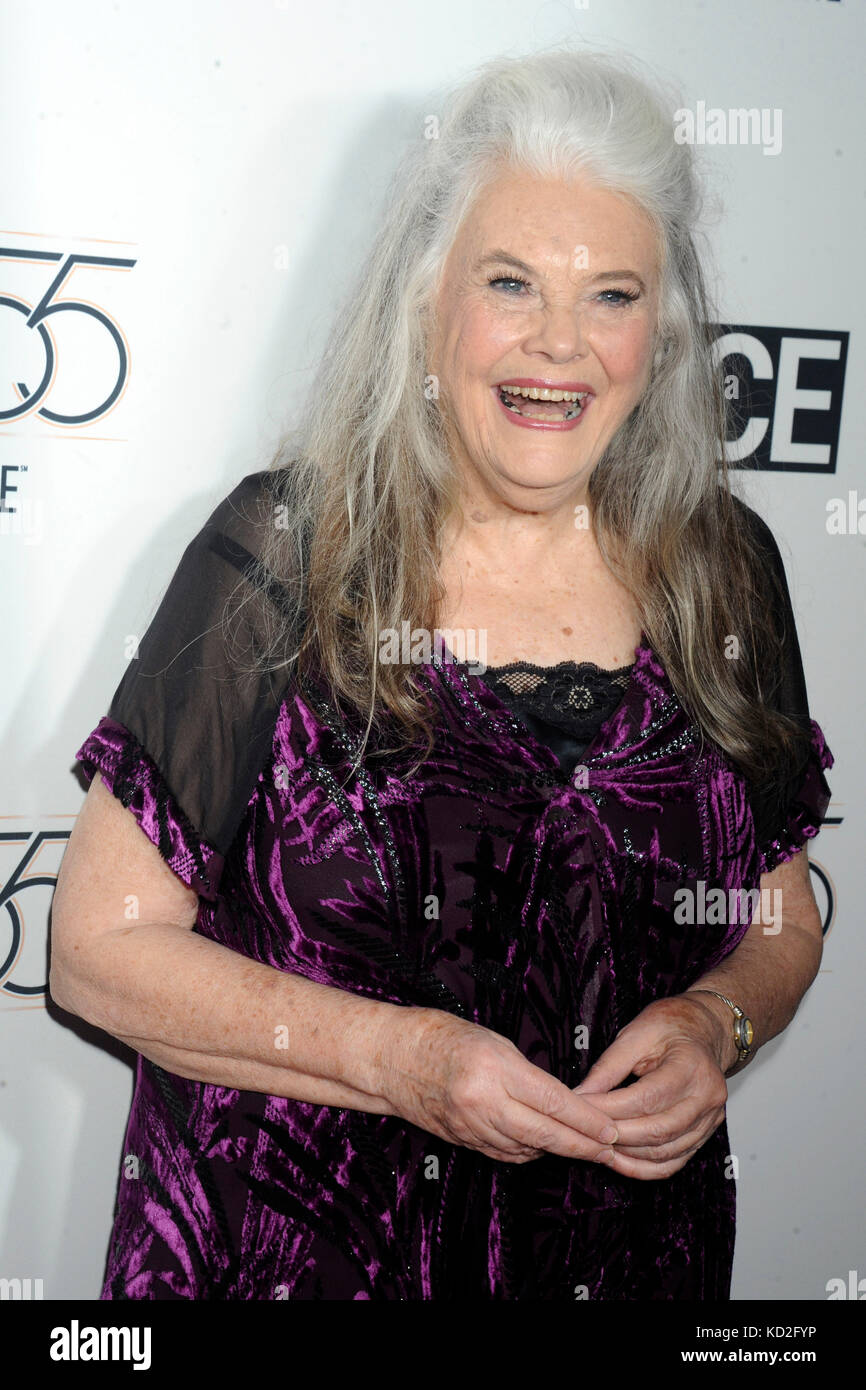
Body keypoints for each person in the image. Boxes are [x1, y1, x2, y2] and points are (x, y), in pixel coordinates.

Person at [51, 47, 833, 1300]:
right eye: (510, 282)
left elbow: (780, 910)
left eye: (612, 295)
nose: (559, 345)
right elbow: (94, 949)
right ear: (428, 301)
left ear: (664, 335)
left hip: (626, 1261)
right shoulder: (290, 555)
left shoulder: (724, 573)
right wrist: (400, 1060)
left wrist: (717, 1020)